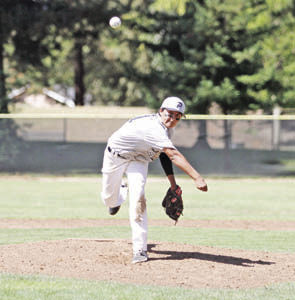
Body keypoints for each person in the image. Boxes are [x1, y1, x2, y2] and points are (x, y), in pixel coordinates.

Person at [100, 96, 208, 264]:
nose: (173, 119)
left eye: (178, 116)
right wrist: (197, 177)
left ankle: (140, 250)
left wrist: (173, 183)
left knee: (138, 200)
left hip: (139, 160)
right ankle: (119, 194)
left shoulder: (166, 130)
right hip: (116, 157)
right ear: (160, 111)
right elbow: (173, 155)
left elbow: (164, 154)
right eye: (170, 114)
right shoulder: (153, 128)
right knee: (108, 198)